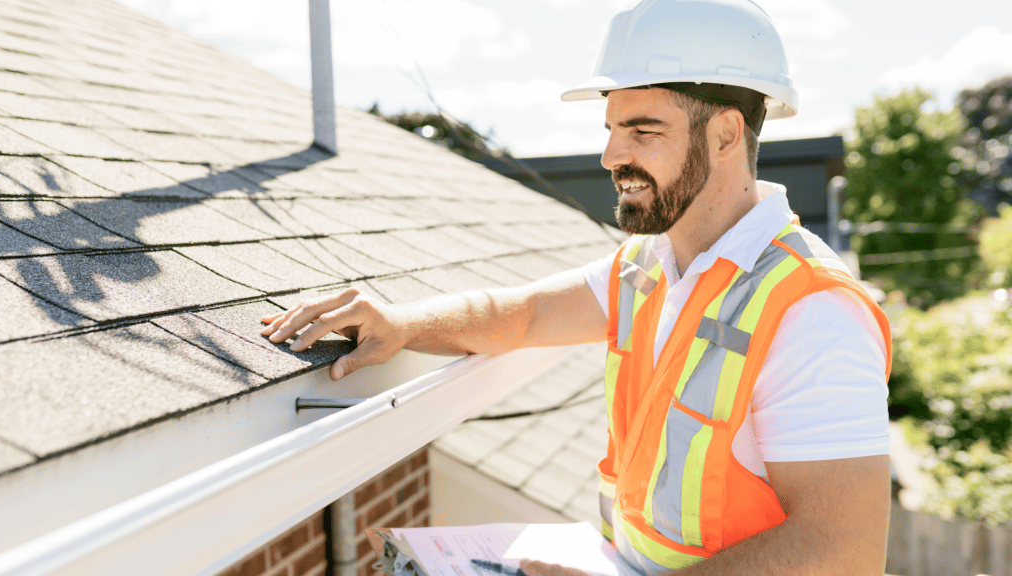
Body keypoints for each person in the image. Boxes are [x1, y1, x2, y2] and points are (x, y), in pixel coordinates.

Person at [262, 0, 893, 574]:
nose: (611, 156)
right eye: (611, 129)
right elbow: (526, 315)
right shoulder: (649, 265)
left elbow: (843, 550)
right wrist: (403, 324)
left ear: (726, 134)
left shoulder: (812, 310)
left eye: (643, 132)